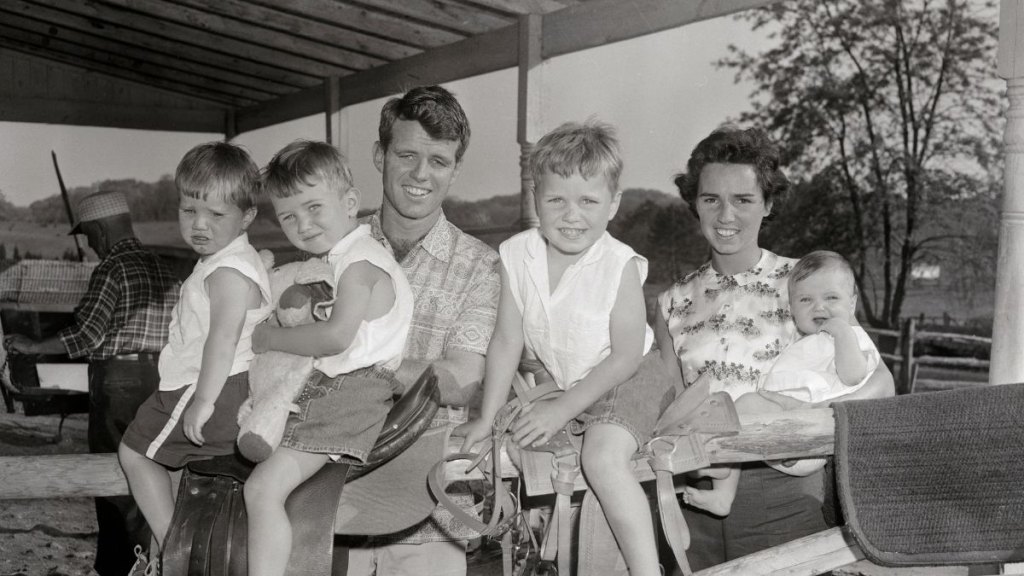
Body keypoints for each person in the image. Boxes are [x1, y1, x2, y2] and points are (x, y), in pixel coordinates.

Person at [654, 126, 895, 571]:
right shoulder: (673, 301)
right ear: (695, 204)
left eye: (743, 199)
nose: (726, 214)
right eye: (711, 199)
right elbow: (668, 401)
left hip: (781, 486)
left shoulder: (804, 284)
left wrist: (812, 424)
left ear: (767, 203)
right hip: (697, 487)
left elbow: (877, 380)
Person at [456, 120, 662, 575]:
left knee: (602, 459)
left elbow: (626, 355)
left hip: (630, 375)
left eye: (589, 201)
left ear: (613, 205)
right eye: (556, 201)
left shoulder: (618, 263)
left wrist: (562, 408)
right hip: (572, 382)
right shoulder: (515, 255)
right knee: (518, 448)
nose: (572, 216)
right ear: (535, 201)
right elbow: (507, 340)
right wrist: (487, 418)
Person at [345, 85, 502, 576]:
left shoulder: (482, 266)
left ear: (455, 169)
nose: (420, 174)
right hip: (333, 498)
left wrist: (354, 361)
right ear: (379, 155)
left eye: (438, 160)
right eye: (407, 154)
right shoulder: (335, 249)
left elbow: (462, 379)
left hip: (433, 510)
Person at [244, 140, 414, 576]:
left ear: (351, 202)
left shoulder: (359, 263)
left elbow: (336, 337)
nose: (303, 224)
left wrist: (270, 340)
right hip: (344, 385)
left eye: (315, 207)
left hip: (351, 391)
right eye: (288, 216)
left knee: (261, 491)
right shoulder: (343, 259)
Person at [117, 142, 272, 575]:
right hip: (225, 387)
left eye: (216, 216)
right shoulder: (234, 260)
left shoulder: (225, 273)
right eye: (189, 211)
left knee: (134, 453)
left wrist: (203, 400)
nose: (199, 225)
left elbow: (221, 339)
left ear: (247, 217)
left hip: (204, 387)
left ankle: (175, 549)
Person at [5, 189, 179, 576]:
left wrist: (33, 345)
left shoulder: (112, 268)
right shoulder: (163, 267)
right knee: (152, 473)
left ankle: (120, 565)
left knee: (115, 476)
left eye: (88, 236)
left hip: (117, 382)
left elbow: (87, 336)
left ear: (100, 230)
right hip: (160, 381)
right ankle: (154, 559)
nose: (91, 245)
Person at [679, 250, 883, 516]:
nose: (819, 307)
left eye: (831, 298)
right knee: (739, 407)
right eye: (805, 300)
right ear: (793, 309)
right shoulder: (807, 341)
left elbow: (854, 375)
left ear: (852, 303)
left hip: (811, 435)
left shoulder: (852, 337)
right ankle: (723, 492)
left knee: (744, 409)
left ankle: (725, 464)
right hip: (778, 428)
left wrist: (842, 332)